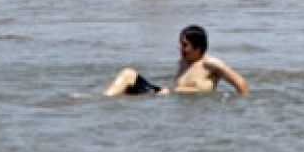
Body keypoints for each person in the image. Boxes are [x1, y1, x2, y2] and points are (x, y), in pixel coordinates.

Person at [104, 26, 248, 96]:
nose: (180, 48)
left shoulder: (210, 64)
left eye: (185, 45)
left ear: (198, 47)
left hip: (166, 98)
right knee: (128, 73)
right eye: (180, 43)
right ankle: (103, 100)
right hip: (164, 96)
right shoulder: (183, 63)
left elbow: (240, 84)